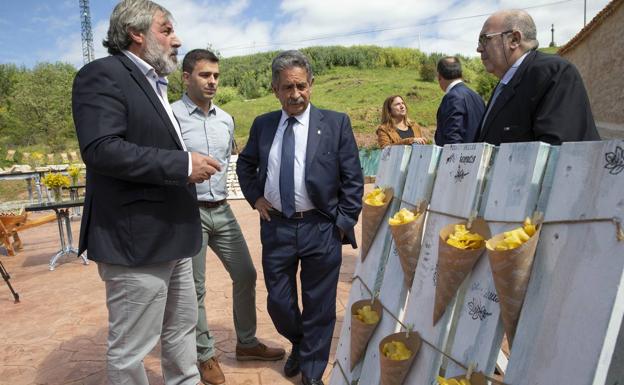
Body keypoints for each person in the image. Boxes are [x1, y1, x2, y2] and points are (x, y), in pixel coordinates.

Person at [72, 1, 221, 384]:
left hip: (175, 237)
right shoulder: (101, 74)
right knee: (130, 352)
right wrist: (184, 165)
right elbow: (102, 149)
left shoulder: (155, 85)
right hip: (135, 241)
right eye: (167, 30)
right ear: (137, 33)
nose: (177, 39)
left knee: (181, 336)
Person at [236, 50, 363, 385]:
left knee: (319, 305)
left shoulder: (335, 123)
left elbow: (353, 178)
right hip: (276, 226)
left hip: (322, 226)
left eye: (301, 86)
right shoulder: (263, 125)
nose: (295, 94)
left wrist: (342, 223)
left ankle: (310, 371)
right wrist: (255, 197)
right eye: (287, 88)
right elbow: (245, 164)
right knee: (279, 302)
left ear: (312, 85)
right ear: (275, 89)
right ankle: (301, 342)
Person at [171, 49, 285, 385]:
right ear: (186, 77)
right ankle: (205, 355)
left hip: (221, 209)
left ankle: (247, 343)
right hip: (187, 213)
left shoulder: (226, 119)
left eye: (216, 76)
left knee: (246, 274)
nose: (212, 82)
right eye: (205, 75)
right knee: (196, 289)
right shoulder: (171, 116)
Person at [476, 9, 600, 145]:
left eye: (484, 39)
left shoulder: (554, 73)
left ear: (514, 39)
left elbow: (558, 152)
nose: (479, 48)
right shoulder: (504, 84)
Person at [435, 57, 485, 145]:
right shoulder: (478, 97)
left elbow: (452, 139)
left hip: (460, 157)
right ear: (461, 74)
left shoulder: (452, 97)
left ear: (439, 76)